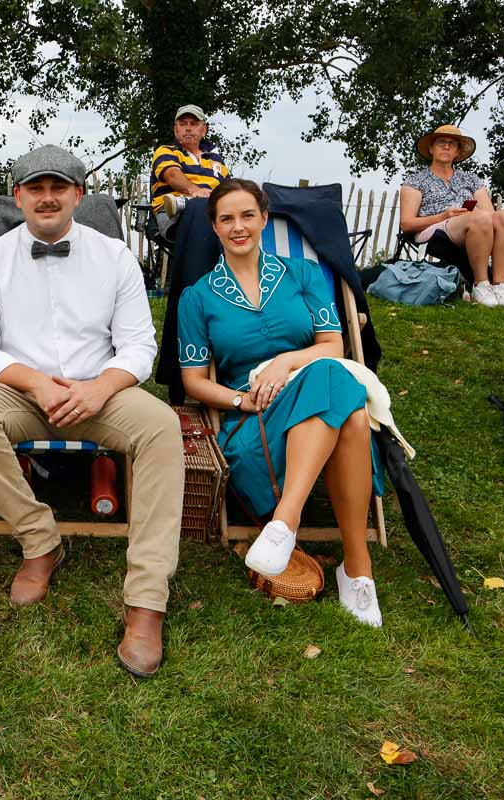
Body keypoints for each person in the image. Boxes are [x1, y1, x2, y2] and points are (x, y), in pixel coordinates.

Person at [0, 144, 185, 678]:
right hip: (21, 395)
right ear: (18, 197)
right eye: (36, 188)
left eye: (58, 188)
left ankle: (146, 600)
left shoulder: (115, 256)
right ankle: (40, 540)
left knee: (162, 427)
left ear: (79, 195)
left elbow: (140, 347)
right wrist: (33, 382)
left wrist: (100, 389)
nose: (47, 198)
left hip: (100, 393)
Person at [178, 178, 384, 627]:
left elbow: (334, 347)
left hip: (312, 392)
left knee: (329, 377)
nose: (238, 227)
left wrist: (285, 363)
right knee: (346, 408)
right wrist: (241, 400)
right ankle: (355, 567)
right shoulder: (197, 297)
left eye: (247, 216)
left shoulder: (304, 275)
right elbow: (193, 381)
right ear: (214, 228)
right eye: (226, 218)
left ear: (264, 220)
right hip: (253, 425)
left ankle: (287, 527)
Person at [399, 124, 504, 307]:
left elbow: (490, 214)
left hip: (474, 224)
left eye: (452, 143)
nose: (446, 146)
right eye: (441, 142)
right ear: (431, 149)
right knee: (480, 218)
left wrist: (471, 213)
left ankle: (500, 285)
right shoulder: (415, 181)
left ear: (457, 152)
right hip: (434, 228)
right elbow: (407, 224)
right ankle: (481, 284)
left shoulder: (470, 179)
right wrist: (444, 215)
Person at [149, 104, 230, 243]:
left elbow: (230, 189)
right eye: (182, 124)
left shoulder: (216, 160)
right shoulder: (166, 151)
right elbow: (172, 175)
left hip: (214, 212)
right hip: (174, 214)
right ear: (176, 130)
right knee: (201, 209)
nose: (188, 128)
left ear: (204, 130)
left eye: (194, 124)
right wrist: (195, 191)